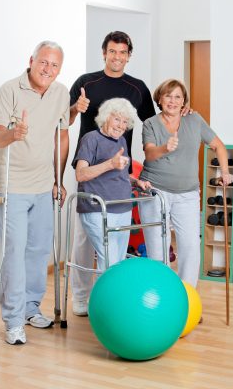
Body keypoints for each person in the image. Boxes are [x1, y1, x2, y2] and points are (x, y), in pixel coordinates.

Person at [69, 31, 156, 316]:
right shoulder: (86, 82)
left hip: (119, 171)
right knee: (84, 237)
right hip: (88, 167)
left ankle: (109, 295)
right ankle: (81, 298)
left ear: (129, 55)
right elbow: (65, 119)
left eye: (122, 52)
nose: (117, 57)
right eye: (112, 51)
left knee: (115, 238)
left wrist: (182, 112)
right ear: (104, 52)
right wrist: (74, 108)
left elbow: (154, 123)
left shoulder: (138, 87)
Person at [0, 41, 70, 345]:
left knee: (37, 251)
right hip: (12, 186)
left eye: (55, 65)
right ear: (32, 61)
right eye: (43, 63)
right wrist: (13, 134)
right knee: (14, 253)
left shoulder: (60, 92)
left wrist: (58, 179)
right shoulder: (9, 90)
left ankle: (30, 308)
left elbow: (62, 135)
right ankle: (12, 319)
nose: (48, 69)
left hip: (43, 184)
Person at [138, 79, 233, 288]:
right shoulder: (150, 124)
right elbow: (150, 152)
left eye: (178, 97)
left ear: (184, 102)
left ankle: (187, 299)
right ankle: (162, 298)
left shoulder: (194, 119)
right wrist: (165, 148)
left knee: (191, 246)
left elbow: (218, 146)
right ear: (160, 99)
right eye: (168, 96)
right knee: (157, 249)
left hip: (188, 194)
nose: (172, 101)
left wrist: (225, 172)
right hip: (154, 192)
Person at [74, 98, 151, 274]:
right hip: (99, 209)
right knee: (109, 262)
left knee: (117, 261)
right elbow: (81, 174)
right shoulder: (91, 139)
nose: (121, 125)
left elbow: (120, 174)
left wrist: (136, 182)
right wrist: (110, 164)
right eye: (117, 119)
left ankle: (114, 300)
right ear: (105, 117)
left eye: (125, 122)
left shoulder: (121, 141)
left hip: (122, 207)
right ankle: (105, 301)